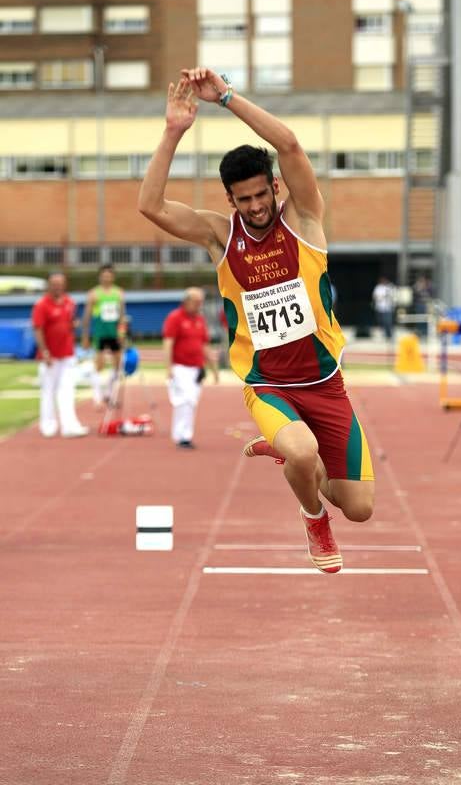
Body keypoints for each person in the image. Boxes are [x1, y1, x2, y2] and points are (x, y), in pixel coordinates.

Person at [139, 67, 374, 574]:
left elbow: (288, 145)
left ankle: (292, 458)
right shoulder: (220, 237)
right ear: (230, 200)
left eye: (261, 195)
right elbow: (150, 206)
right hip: (267, 384)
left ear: (273, 187)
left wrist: (225, 97)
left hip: (327, 384)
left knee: (359, 507)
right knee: (305, 451)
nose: (255, 207)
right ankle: (313, 518)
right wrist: (174, 130)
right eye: (242, 200)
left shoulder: (304, 219)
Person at [31, 272, 89, 438]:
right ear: (49, 285)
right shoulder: (42, 305)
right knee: (49, 390)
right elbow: (38, 329)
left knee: (68, 390)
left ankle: (69, 425)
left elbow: (71, 322)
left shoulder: (70, 302)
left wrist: (74, 325)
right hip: (50, 355)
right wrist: (45, 351)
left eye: (60, 283)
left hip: (67, 353)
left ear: (64, 285)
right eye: (54, 283)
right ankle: (48, 425)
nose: (57, 286)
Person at [162, 287, 218, 449]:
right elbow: (168, 343)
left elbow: (204, 345)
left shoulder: (200, 320)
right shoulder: (175, 318)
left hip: (197, 368)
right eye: (196, 302)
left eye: (201, 302)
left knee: (191, 402)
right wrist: (168, 367)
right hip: (180, 367)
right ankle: (184, 436)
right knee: (185, 401)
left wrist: (214, 369)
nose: (199, 305)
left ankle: (181, 434)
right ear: (186, 301)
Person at [81, 264, 125, 405]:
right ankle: (97, 395)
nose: (106, 278)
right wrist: (85, 336)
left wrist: (122, 333)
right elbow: (87, 317)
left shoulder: (118, 293)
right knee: (99, 365)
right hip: (100, 333)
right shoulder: (93, 294)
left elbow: (122, 315)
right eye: (104, 275)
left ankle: (109, 394)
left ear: (113, 277)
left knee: (117, 365)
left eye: (109, 275)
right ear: (100, 277)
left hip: (114, 333)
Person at [372, 276, 396, 340]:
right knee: (381, 321)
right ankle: (384, 334)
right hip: (380, 307)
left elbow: (393, 296)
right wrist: (382, 297)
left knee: (388, 321)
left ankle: (389, 335)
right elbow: (375, 297)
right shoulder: (378, 288)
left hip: (388, 308)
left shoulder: (390, 287)